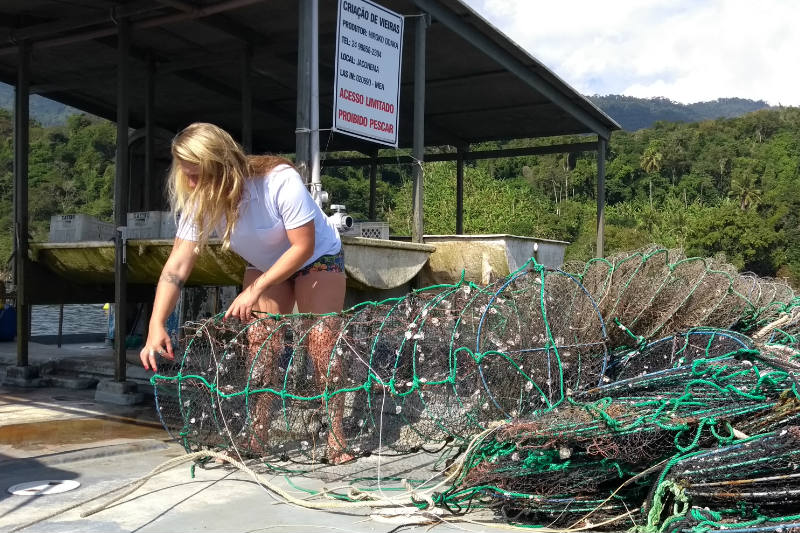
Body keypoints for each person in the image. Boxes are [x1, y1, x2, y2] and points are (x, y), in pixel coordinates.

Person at [139, 122, 352, 463]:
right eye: (187, 175)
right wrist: (156, 324)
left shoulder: (278, 181)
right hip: (265, 263)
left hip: (316, 256)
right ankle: (257, 433)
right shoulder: (199, 200)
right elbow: (177, 266)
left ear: (221, 165)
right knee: (260, 342)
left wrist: (254, 290)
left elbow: (302, 246)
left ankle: (336, 435)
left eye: (199, 175)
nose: (192, 184)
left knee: (322, 342)